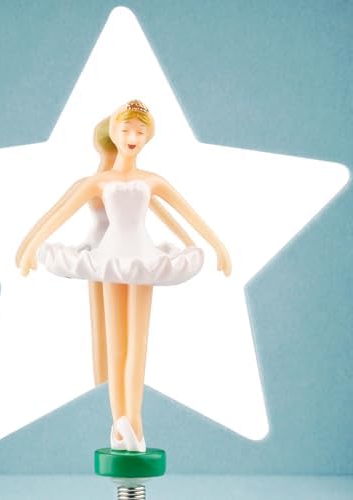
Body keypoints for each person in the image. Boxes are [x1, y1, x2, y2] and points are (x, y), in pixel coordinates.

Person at [16, 100, 231, 452]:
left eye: (140, 131)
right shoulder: (98, 182)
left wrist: (216, 245)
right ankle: (120, 424)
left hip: (144, 258)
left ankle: (135, 422)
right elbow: (59, 213)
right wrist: (30, 247)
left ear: (148, 137)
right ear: (114, 133)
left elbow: (187, 214)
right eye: (127, 130)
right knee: (117, 345)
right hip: (110, 257)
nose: (133, 137)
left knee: (137, 345)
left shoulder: (152, 181)